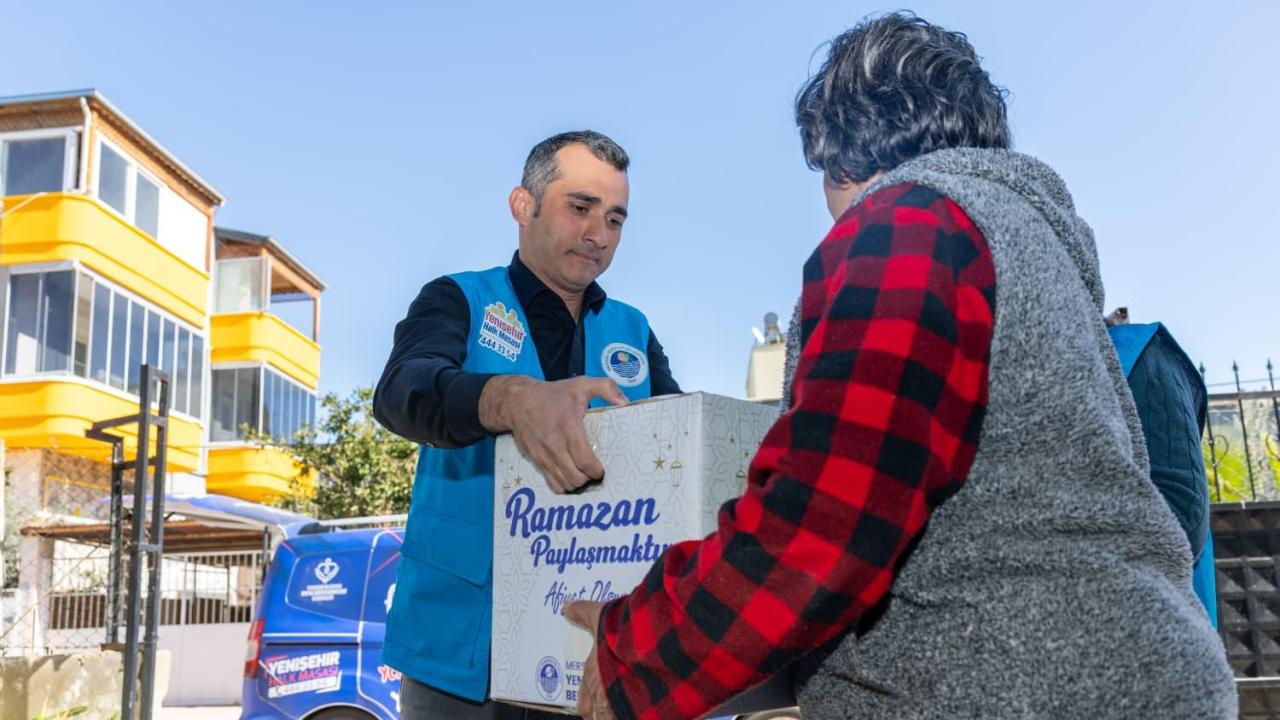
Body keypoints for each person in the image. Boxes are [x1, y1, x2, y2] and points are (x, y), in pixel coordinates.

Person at [565, 12, 1235, 719]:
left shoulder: (907, 224)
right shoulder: (1027, 242)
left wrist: (635, 658)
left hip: (1021, 691)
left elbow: (827, 515)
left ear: (842, 155)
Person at [374, 130, 680, 719]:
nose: (599, 235)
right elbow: (401, 391)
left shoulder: (633, 329)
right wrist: (510, 400)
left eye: (616, 218)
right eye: (581, 207)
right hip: (460, 658)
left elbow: (677, 456)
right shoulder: (458, 299)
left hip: (589, 651)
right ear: (523, 205)